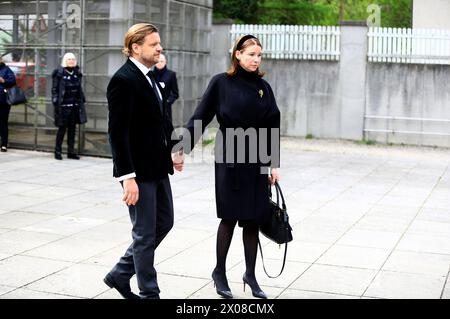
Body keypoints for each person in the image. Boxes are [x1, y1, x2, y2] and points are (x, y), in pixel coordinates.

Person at [185, 35, 281, 299]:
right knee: (229, 215)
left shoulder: (264, 87)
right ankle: (219, 272)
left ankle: (250, 275)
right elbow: (201, 115)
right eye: (251, 54)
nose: (256, 59)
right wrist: (179, 148)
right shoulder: (221, 83)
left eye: (259, 55)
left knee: (253, 217)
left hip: (257, 157)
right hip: (230, 155)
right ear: (237, 55)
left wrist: (274, 164)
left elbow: (273, 123)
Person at [104, 23, 184, 299]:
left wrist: (175, 149)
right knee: (144, 234)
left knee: (165, 221)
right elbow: (117, 132)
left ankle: (120, 273)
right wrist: (127, 177)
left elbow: (163, 119)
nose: (160, 48)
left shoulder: (151, 77)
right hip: (138, 172)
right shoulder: (123, 80)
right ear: (136, 47)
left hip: (158, 167)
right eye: (154, 44)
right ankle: (150, 293)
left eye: (159, 43)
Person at [51, 52, 87, 160]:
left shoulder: (77, 73)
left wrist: (82, 100)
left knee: (72, 130)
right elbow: (55, 89)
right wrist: (56, 101)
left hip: (74, 106)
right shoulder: (59, 73)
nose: (71, 61)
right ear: (65, 61)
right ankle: (58, 151)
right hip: (63, 107)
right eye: (69, 59)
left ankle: (71, 152)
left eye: (73, 59)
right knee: (62, 130)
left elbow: (79, 89)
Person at [153, 54, 179, 122]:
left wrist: (167, 102)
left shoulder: (171, 74)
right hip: (153, 107)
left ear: (165, 62)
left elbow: (175, 93)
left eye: (162, 61)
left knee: (166, 128)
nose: (159, 63)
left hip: (166, 109)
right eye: (158, 61)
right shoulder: (150, 74)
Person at [0, 56, 17, 152]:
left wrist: (4, 81)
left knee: (3, 122)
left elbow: (13, 81)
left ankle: (4, 144)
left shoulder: (6, 69)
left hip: (3, 100)